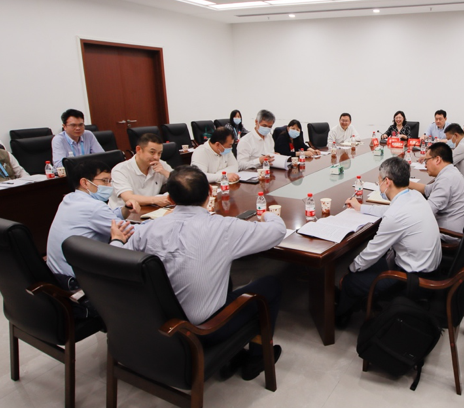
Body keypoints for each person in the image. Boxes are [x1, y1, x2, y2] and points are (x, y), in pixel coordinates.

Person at [112, 165, 286, 381]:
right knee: (270, 285)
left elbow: (117, 263)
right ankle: (257, 358)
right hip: (203, 330)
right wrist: (267, 214)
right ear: (210, 192)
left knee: (222, 277)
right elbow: (277, 232)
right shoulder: (223, 228)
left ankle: (234, 354)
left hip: (155, 323)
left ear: (170, 199)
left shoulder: (147, 229)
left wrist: (117, 240)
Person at [336, 157, 442, 327]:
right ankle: (363, 302)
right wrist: (361, 208)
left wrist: (350, 269)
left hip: (413, 281)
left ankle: (340, 317)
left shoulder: (395, 216)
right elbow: (390, 211)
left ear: (387, 181)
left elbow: (372, 251)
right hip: (427, 268)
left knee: (351, 280)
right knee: (370, 265)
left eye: (379, 181)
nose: (379, 185)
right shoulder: (414, 196)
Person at [46, 160, 140, 317]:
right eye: (104, 181)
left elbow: (108, 219)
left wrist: (125, 209)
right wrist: (159, 222)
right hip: (79, 288)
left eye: (110, 181)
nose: (109, 186)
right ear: (85, 183)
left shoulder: (70, 199)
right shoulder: (93, 207)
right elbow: (130, 232)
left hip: (58, 280)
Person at [408, 142, 464, 243]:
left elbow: (426, 211)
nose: (425, 165)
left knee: (402, 230)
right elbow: (426, 189)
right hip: (450, 226)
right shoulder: (450, 172)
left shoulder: (446, 179)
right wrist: (403, 182)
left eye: (426, 160)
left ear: (437, 159)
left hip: (447, 234)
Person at [109, 133, 172, 209]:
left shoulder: (161, 164)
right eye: (152, 152)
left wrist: (165, 172)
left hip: (149, 209)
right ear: (138, 150)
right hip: (125, 213)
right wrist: (156, 200)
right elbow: (128, 198)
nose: (156, 157)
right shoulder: (120, 170)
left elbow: (181, 183)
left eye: (159, 153)